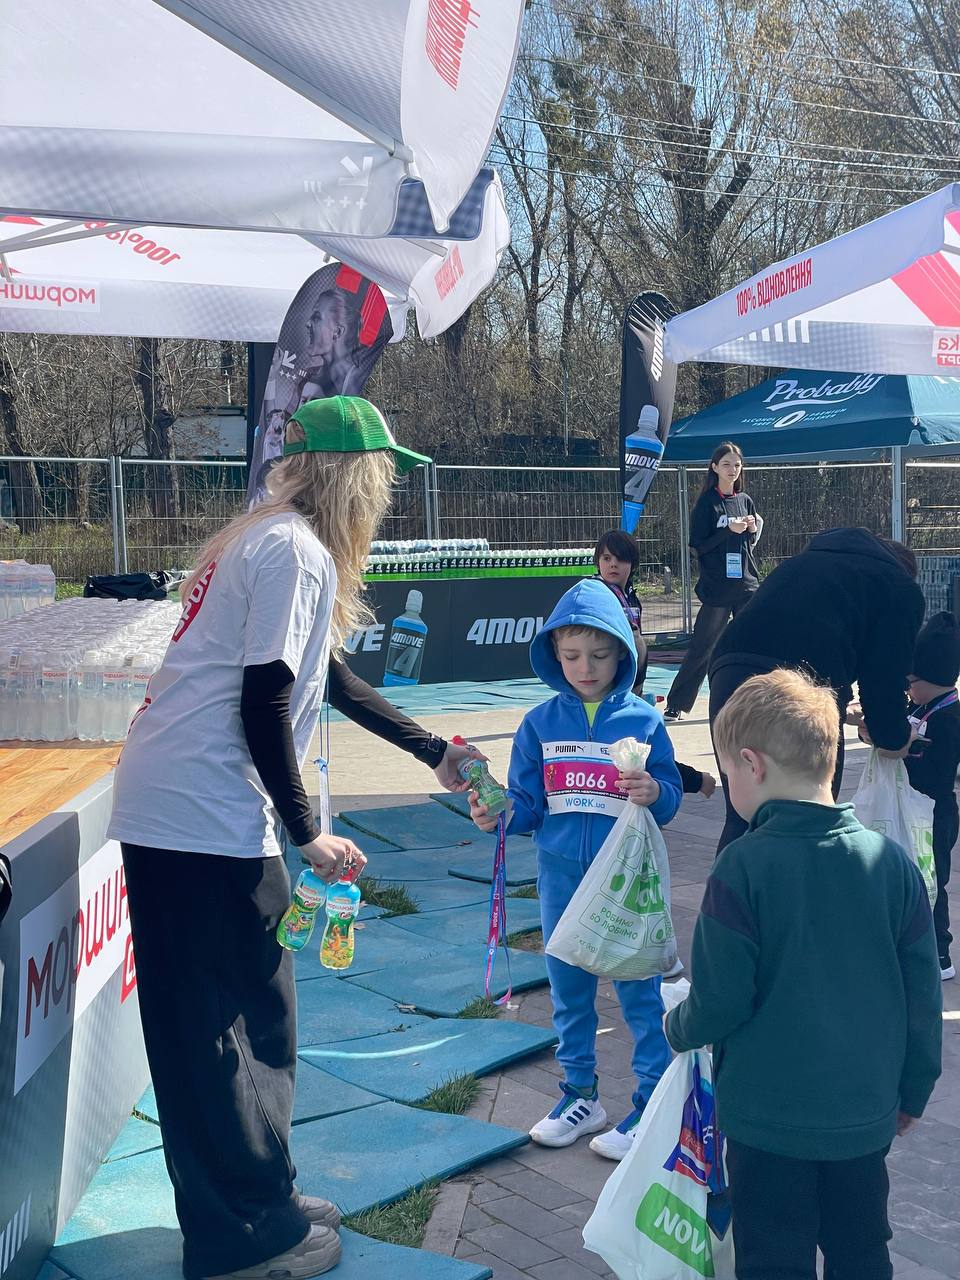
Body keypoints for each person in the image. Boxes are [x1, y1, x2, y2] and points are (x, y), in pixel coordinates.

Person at [107, 396, 431, 1280]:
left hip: (181, 806)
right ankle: (244, 1232)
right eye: (385, 476)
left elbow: (328, 676)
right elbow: (265, 699)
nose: (390, 493)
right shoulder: (294, 550)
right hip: (201, 814)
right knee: (235, 1020)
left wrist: (432, 750)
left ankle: (255, 1193)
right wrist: (307, 832)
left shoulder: (269, 537)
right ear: (356, 477)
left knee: (225, 1014)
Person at [665, 669, 942, 1280]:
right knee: (861, 1248)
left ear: (750, 764)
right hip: (864, 1113)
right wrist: (914, 1087)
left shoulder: (740, 868)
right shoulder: (892, 865)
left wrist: (675, 1026)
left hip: (766, 1121)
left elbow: (721, 1000)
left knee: (771, 1256)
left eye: (727, 773)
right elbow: (922, 995)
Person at [470, 579, 682, 1160]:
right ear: (553, 655)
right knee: (569, 993)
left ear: (623, 653)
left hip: (627, 882)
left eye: (600, 654)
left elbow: (669, 796)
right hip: (560, 879)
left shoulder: (644, 720)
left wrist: (655, 791)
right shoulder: (539, 724)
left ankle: (652, 1104)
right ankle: (581, 1096)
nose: (585, 668)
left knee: (639, 994)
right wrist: (498, 814)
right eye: (571, 656)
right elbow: (527, 805)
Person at [709, 528, 925, 851]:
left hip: (730, 670)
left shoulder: (809, 563)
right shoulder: (898, 587)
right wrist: (893, 737)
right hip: (798, 687)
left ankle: (728, 884)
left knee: (744, 816)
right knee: (811, 815)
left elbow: (811, 634)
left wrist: (846, 708)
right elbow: (884, 678)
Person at [664, 442, 761, 722]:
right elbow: (699, 546)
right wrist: (728, 530)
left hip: (746, 586)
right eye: (727, 464)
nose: (733, 470)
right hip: (718, 588)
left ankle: (758, 703)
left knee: (753, 645)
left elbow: (749, 543)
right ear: (715, 467)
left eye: (737, 465)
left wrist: (750, 530)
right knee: (702, 646)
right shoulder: (708, 503)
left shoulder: (745, 500)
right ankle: (677, 703)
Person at [902, 611, 960, 981]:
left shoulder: (949, 718)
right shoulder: (921, 705)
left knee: (932, 880)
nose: (907, 688)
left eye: (911, 682)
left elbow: (938, 770)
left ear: (934, 680)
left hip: (937, 813)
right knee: (912, 879)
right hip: (914, 809)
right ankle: (913, 944)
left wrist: (908, 746)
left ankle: (940, 953)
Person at [592, 529, 646, 688]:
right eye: (607, 558)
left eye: (620, 559)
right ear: (598, 562)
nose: (613, 564)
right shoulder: (595, 594)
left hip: (631, 672)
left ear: (633, 564)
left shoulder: (632, 597)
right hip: (605, 676)